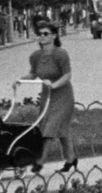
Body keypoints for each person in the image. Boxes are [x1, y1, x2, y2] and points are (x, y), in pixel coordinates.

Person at [25, 18, 78, 172]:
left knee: (51, 127)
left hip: (63, 95)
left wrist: (55, 84)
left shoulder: (61, 54)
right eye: (39, 34)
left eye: (45, 34)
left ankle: (41, 160)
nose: (42, 36)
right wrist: (19, 80)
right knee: (60, 129)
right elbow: (33, 73)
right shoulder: (36, 56)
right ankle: (71, 158)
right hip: (47, 96)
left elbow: (67, 75)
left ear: (54, 36)